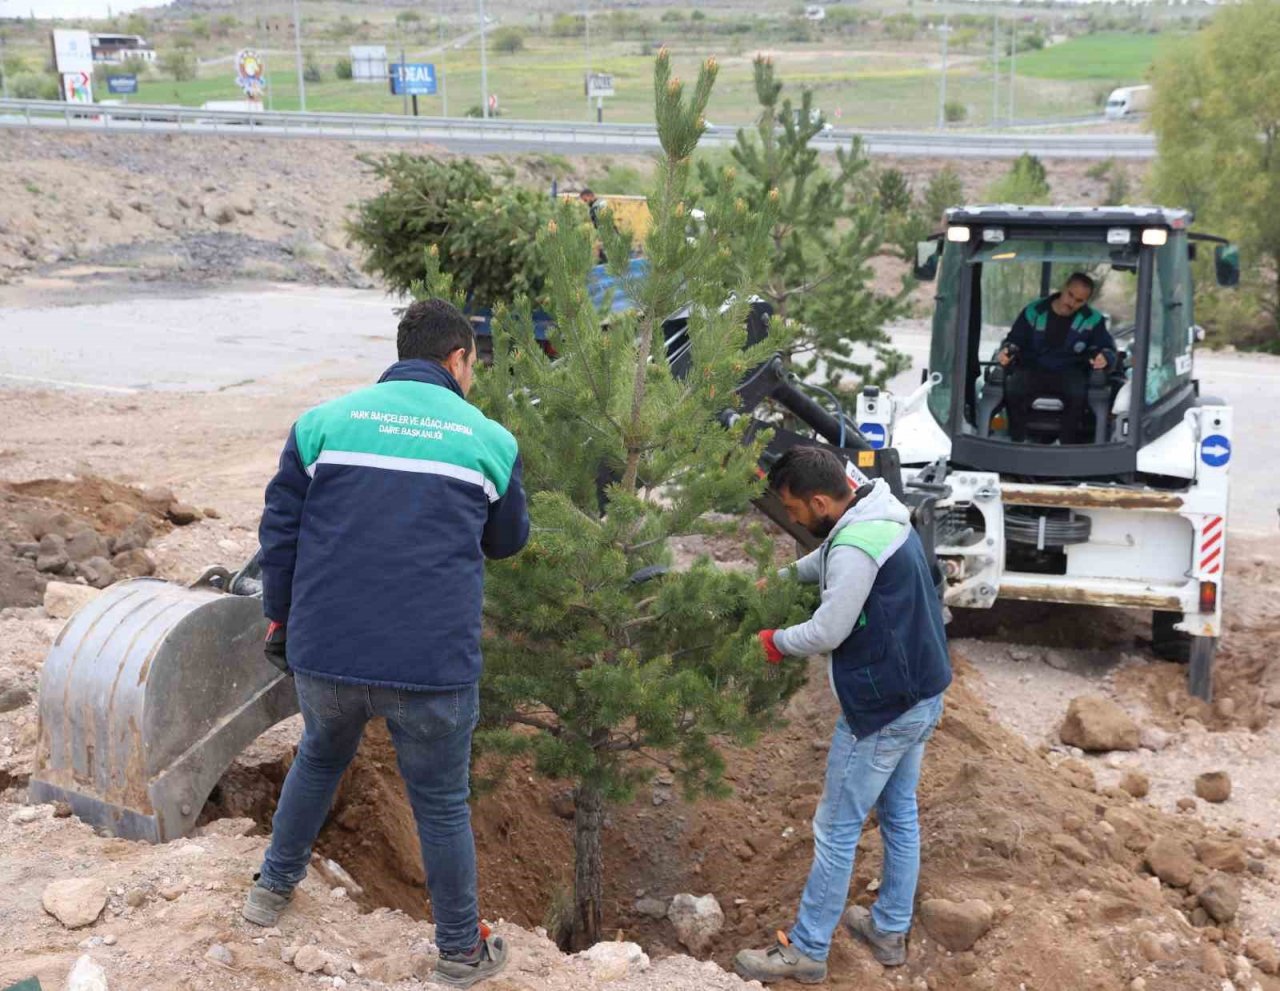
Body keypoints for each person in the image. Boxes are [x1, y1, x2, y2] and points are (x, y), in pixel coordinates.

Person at [244, 298, 529, 989]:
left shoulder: (321, 425)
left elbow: (278, 538)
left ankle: (269, 892)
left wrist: (281, 625)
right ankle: (460, 952)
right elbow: (508, 541)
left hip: (328, 651)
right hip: (430, 665)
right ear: (459, 359)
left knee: (319, 754)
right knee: (439, 802)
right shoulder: (488, 438)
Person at [734, 446, 951, 985]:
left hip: (883, 710)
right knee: (899, 813)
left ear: (819, 499)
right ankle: (889, 928)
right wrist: (778, 581)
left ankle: (807, 948)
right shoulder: (877, 510)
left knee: (835, 828)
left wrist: (775, 642)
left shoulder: (855, 542)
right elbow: (824, 558)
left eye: (794, 509)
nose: (792, 518)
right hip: (923, 691)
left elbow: (829, 630)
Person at [998, 272, 1116, 444]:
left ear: (1086, 301)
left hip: (1071, 370)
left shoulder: (1093, 320)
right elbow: (1015, 340)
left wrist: (1105, 357)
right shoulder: (1033, 311)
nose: (1072, 303)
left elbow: (1106, 347)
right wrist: (1007, 351)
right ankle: (1018, 439)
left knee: (1078, 394)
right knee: (1013, 389)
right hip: (1032, 367)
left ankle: (1066, 444)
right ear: (1063, 288)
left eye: (1079, 301)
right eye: (1070, 295)